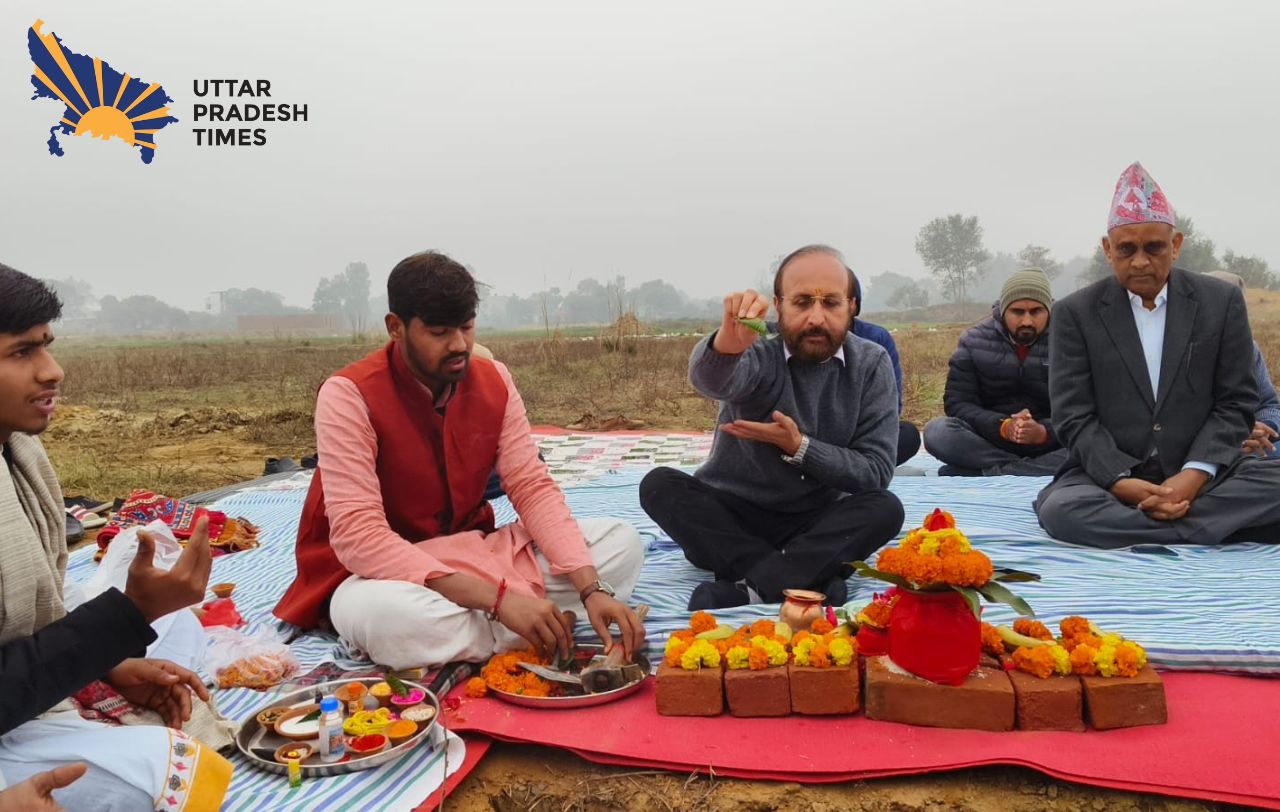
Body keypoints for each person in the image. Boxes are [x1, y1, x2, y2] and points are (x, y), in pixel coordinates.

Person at [274, 252, 646, 669]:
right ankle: (523, 623)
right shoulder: (347, 395)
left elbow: (531, 486)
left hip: (474, 554)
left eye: (467, 327)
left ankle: (495, 630)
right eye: (439, 332)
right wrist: (500, 600)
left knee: (620, 544)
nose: (459, 345)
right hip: (385, 575)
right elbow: (359, 537)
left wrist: (591, 588)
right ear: (395, 327)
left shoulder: (495, 380)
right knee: (386, 618)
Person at [0, 265, 230, 811]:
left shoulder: (21, 452)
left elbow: (42, 617)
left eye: (47, 347)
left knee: (175, 627)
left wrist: (109, 664)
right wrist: (126, 616)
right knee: (157, 780)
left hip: (23, 695)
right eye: (21, 353)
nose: (52, 371)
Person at [639, 244, 905, 610]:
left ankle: (751, 586)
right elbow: (713, 381)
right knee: (658, 485)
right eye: (801, 303)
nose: (816, 318)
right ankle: (808, 577)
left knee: (885, 508)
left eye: (830, 302)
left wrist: (800, 448)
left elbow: (874, 473)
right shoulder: (757, 347)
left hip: (815, 518)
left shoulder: (871, 363)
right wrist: (727, 345)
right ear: (779, 306)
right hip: (734, 514)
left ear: (851, 306)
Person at [1034, 162, 1280, 548]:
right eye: (1126, 249)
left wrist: (1194, 475)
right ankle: (1224, 526)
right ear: (1107, 249)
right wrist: (1121, 482)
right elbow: (1073, 416)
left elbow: (1237, 402)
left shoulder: (1220, 302)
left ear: (1176, 245)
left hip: (1208, 471)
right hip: (1112, 476)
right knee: (1063, 510)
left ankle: (1162, 524)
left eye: (1154, 247)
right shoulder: (1074, 313)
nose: (1140, 261)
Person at [923, 268, 1068, 476]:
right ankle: (1022, 468)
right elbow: (958, 404)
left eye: (1036, 311)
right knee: (937, 432)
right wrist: (1004, 426)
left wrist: (1044, 432)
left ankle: (988, 471)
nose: (1027, 321)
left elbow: (1083, 407)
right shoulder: (973, 341)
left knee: (1102, 444)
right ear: (1003, 310)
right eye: (1018, 312)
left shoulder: (1070, 341)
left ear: (1049, 310)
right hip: (990, 441)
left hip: (1051, 441)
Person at [1205, 271, 1280, 458]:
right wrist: (1235, 435)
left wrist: (1265, 430)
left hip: (1250, 446)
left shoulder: (1249, 349)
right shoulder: (1173, 350)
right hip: (1200, 451)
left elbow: (1268, 405)